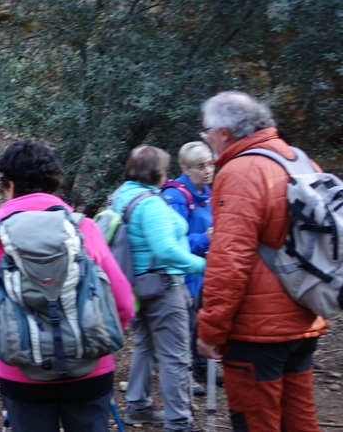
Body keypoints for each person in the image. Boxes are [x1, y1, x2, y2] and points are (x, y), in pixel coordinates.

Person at [0, 140, 135, 431]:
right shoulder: (82, 229)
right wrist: (93, 337)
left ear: (9, 185)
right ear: (54, 182)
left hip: (21, 372)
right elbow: (122, 302)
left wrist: (10, 340)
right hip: (90, 367)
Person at [196, 91, 327, 432]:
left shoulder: (240, 171)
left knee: (258, 422)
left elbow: (229, 261)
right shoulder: (298, 159)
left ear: (223, 132)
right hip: (304, 313)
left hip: (257, 331)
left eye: (206, 131)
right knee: (299, 420)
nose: (206, 138)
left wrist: (211, 329)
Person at [118, 145, 205, 431]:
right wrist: (204, 266)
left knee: (144, 345)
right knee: (175, 357)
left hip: (136, 288)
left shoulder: (120, 196)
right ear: (157, 173)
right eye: (165, 169)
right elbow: (166, 250)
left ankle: (138, 405)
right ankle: (179, 422)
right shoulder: (150, 203)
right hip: (162, 287)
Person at [160, 141, 216, 394]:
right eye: (199, 166)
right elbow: (174, 243)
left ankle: (205, 367)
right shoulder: (176, 197)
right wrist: (206, 238)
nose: (207, 170)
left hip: (206, 270)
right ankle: (188, 373)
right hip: (184, 275)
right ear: (185, 167)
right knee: (187, 325)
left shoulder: (209, 193)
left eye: (210, 164)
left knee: (205, 319)